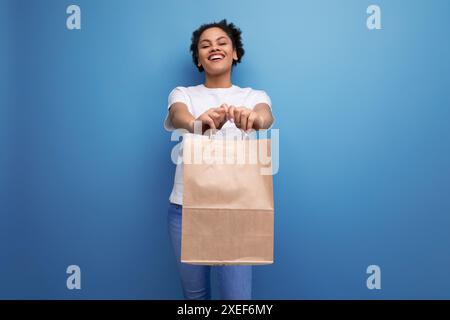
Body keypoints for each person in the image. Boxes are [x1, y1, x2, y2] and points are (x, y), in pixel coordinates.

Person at [164, 19, 274, 300]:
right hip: (186, 207)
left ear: (234, 52)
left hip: (238, 207)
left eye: (222, 42)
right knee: (195, 297)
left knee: (236, 299)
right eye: (205, 45)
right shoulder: (183, 94)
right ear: (198, 59)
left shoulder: (253, 96)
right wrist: (197, 124)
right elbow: (178, 115)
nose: (214, 47)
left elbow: (266, 116)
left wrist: (254, 118)